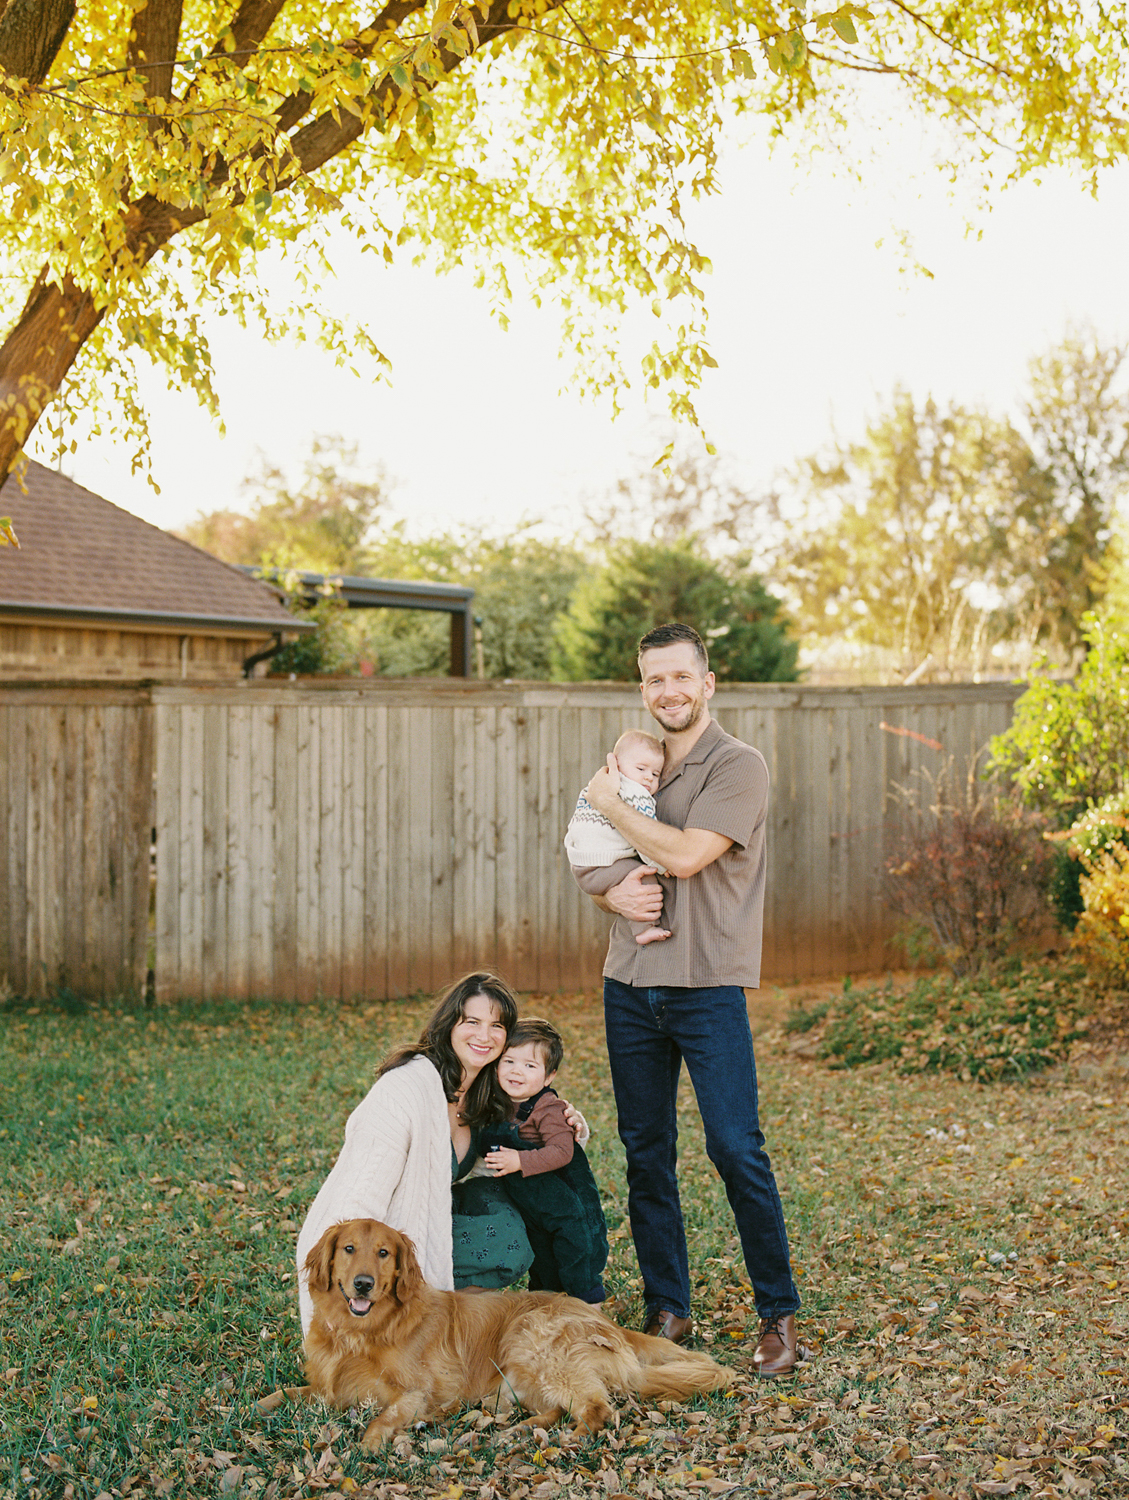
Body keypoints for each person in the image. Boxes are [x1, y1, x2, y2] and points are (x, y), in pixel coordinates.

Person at [574, 621, 804, 1378]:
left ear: (707, 683)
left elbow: (682, 855)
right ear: (642, 687)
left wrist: (609, 800)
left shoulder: (738, 766)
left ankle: (777, 1314)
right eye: (652, 680)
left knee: (735, 1149)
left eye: (680, 677)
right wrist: (614, 901)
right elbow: (590, 862)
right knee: (647, 1154)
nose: (666, 691)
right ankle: (667, 1304)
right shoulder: (629, 764)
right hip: (629, 987)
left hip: (706, 987)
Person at [295, 971, 534, 1336]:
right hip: (384, 1236)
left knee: (521, 1219)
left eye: (497, 1026)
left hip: (431, 1220)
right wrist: (358, 1269)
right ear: (449, 1023)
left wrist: (570, 1125)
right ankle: (382, 1321)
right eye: (472, 1021)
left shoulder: (487, 1090)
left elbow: (519, 1140)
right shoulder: (405, 1088)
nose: (484, 1036)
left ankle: (434, 1318)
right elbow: (362, 1189)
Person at [482, 1017, 609, 1303]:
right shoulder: (499, 1104)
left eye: (530, 1066)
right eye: (509, 1061)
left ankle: (593, 1319)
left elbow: (563, 1152)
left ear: (548, 1076)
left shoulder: (548, 1108)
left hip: (570, 1208)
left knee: (578, 1261)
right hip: (536, 1209)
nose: (517, 1072)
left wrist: (519, 1160)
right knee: (544, 1266)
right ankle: (549, 1315)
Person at [565, 728, 671, 945]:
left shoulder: (598, 785)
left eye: (655, 774)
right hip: (602, 867)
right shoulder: (634, 794)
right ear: (617, 765)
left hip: (582, 866)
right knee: (644, 875)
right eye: (641, 768)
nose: (647, 778)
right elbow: (644, 839)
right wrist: (662, 864)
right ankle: (644, 929)